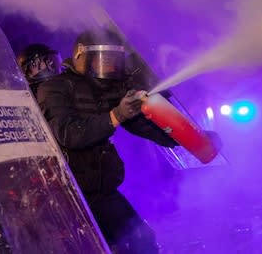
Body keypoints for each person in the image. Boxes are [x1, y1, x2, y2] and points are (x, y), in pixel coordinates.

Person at [36, 28, 179, 253]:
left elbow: (141, 125)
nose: (109, 69)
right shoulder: (55, 88)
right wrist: (116, 115)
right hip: (72, 197)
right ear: (81, 56)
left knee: (142, 240)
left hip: (103, 191)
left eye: (114, 62)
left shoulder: (107, 90)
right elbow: (68, 133)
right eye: (104, 61)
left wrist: (181, 138)